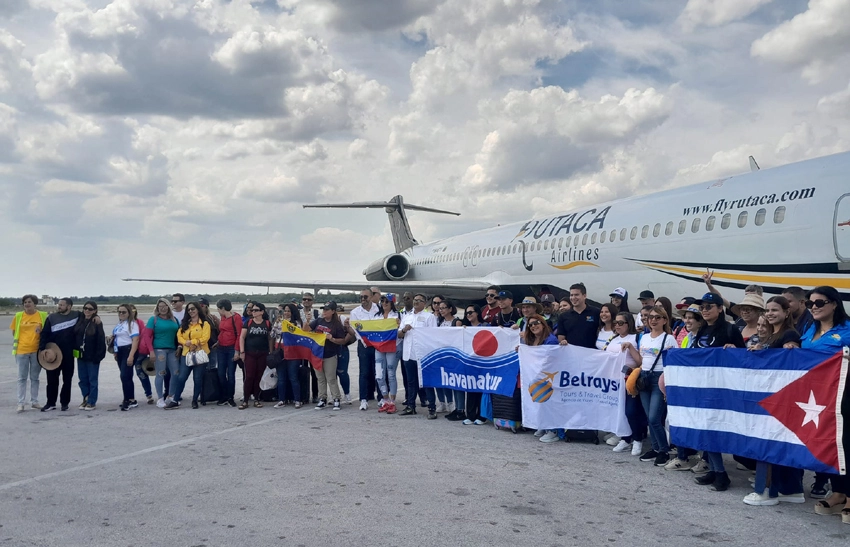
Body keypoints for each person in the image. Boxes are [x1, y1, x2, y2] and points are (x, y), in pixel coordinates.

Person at [743, 296, 804, 506]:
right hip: (771, 396)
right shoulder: (771, 334)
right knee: (780, 442)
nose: (769, 313)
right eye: (767, 310)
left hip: (779, 398)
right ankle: (790, 489)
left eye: (774, 310)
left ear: (787, 312)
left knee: (771, 443)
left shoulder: (789, 334)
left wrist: (783, 349)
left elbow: (789, 359)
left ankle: (767, 490)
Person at [795, 287, 850, 520]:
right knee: (829, 442)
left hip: (844, 395)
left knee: (846, 443)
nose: (814, 307)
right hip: (817, 398)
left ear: (835, 303)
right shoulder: (809, 329)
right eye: (810, 304)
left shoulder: (847, 329)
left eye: (820, 302)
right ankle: (838, 492)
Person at [692, 292, 745, 491]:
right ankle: (715, 470)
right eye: (702, 307)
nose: (704, 310)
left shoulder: (730, 329)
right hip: (703, 386)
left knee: (713, 431)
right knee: (706, 430)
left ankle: (722, 474)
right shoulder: (702, 329)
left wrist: (734, 350)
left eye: (709, 306)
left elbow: (743, 359)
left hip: (721, 389)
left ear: (719, 309)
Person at [662, 304, 704, 471]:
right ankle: (682, 456)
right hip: (684, 387)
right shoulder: (687, 338)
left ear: (699, 321)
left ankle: (703, 459)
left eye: (691, 318)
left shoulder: (703, 339)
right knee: (678, 420)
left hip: (698, 388)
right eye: (685, 317)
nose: (687, 320)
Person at [635, 306, 677, 467]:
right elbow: (641, 359)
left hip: (659, 378)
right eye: (651, 317)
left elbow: (673, 361)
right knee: (649, 417)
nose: (653, 320)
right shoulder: (644, 337)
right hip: (644, 377)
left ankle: (664, 450)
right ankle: (655, 447)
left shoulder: (668, 339)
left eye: (657, 317)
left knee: (654, 418)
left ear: (664, 320)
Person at [39, 297, 90, 412]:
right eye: (59, 304)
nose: (59, 306)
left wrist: (96, 317)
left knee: (67, 380)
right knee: (52, 380)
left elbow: (89, 316)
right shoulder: (51, 318)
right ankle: (50, 403)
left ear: (69, 306)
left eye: (62, 305)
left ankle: (64, 403)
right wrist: (42, 349)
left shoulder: (77, 315)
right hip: (54, 354)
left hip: (68, 354)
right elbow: (44, 334)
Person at [607, 312, 646, 456]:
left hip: (630, 380)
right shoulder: (613, 339)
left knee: (631, 411)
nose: (617, 326)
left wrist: (630, 347)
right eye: (615, 323)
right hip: (614, 381)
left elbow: (640, 361)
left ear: (628, 324)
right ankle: (625, 437)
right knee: (620, 411)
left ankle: (637, 439)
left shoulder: (636, 338)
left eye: (621, 323)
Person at [398, 294, 438, 418]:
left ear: (424, 304)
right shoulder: (406, 316)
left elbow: (433, 335)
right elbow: (399, 334)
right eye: (415, 300)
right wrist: (404, 330)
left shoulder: (429, 317)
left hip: (423, 354)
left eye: (419, 301)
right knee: (411, 382)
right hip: (409, 354)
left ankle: (432, 408)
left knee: (426, 382)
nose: (415, 302)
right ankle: (411, 406)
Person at [166, 302, 211, 410]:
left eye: (193, 309)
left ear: (198, 310)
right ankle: (175, 400)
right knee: (181, 377)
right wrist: (186, 343)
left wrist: (193, 342)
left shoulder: (204, 324)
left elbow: (205, 338)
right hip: (186, 353)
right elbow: (179, 335)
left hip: (200, 353)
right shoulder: (185, 323)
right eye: (189, 310)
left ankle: (195, 400)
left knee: (197, 378)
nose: (191, 311)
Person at [11, 294, 47, 412]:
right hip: (22, 350)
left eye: (29, 302)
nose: (27, 304)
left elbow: (46, 332)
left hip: (36, 351)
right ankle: (21, 403)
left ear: (35, 304)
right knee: (22, 378)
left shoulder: (42, 315)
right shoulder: (18, 316)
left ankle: (34, 401)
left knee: (34, 378)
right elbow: (14, 332)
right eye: (25, 302)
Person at [310, 302, 347, 411]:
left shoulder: (336, 324)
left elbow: (342, 340)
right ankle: (322, 398)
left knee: (331, 378)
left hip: (330, 354)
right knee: (320, 378)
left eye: (327, 309)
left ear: (333, 311)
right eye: (324, 309)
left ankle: (336, 398)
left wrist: (332, 339)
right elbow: (306, 330)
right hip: (317, 354)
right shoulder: (318, 321)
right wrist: (307, 321)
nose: (324, 312)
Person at [237, 302, 273, 410]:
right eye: (252, 310)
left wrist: (270, 352)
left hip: (263, 353)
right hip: (250, 353)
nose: (253, 312)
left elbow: (270, 338)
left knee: (259, 376)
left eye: (256, 310)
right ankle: (246, 400)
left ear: (262, 312)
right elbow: (242, 338)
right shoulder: (248, 322)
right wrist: (242, 352)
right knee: (249, 376)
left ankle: (257, 398)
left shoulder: (267, 323)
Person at [147, 298, 181, 408]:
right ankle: (160, 398)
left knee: (175, 373)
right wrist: (151, 351)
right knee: (160, 373)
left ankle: (170, 396)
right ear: (157, 308)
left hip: (172, 349)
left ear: (168, 307)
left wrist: (179, 346)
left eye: (165, 305)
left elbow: (180, 334)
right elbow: (147, 336)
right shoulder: (154, 319)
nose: (162, 308)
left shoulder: (174, 319)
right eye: (160, 306)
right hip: (159, 349)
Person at [350, 288, 379, 411]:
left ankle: (382, 397)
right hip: (364, 345)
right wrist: (347, 328)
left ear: (372, 297)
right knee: (364, 372)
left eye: (365, 297)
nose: (363, 299)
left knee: (379, 372)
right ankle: (363, 399)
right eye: (361, 297)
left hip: (378, 344)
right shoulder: (355, 312)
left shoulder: (379, 309)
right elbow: (354, 331)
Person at [74, 301, 106, 411]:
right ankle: (86, 397)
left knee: (92, 379)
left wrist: (99, 356)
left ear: (95, 311)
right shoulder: (80, 319)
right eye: (85, 308)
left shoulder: (96, 322)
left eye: (90, 309)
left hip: (92, 356)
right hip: (81, 355)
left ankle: (92, 401)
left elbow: (101, 340)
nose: (87, 310)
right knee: (82, 379)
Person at [437, 299, 466, 421]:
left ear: (450, 309)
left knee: (458, 383)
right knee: (452, 383)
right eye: (440, 308)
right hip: (445, 356)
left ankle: (461, 409)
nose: (441, 310)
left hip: (456, 356)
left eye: (444, 308)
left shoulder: (456, 322)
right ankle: (456, 407)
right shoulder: (441, 322)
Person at [372, 294, 401, 414]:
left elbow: (400, 332)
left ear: (392, 303)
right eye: (382, 301)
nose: (384, 303)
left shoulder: (398, 315)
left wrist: (399, 326)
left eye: (387, 301)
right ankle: (385, 399)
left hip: (392, 347)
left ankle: (392, 402)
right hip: (379, 348)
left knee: (391, 374)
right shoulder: (376, 316)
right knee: (379, 375)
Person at [272, 303, 303, 409]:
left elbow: (297, 336)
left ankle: (297, 399)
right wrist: (276, 324)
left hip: (293, 352)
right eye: (284, 311)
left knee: (293, 377)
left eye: (288, 311)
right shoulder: (279, 322)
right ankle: (281, 399)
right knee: (281, 378)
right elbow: (272, 335)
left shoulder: (297, 323)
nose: (286, 313)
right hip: (280, 352)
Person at [112, 304, 140, 411]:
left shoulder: (132, 324)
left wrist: (131, 355)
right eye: (119, 312)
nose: (121, 314)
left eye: (124, 312)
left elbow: (135, 340)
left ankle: (127, 400)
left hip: (128, 350)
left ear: (129, 313)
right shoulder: (120, 324)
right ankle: (131, 399)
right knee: (126, 376)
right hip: (120, 351)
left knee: (124, 375)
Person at [215, 299, 242, 407]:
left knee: (230, 374)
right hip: (221, 347)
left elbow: (239, 334)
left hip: (231, 348)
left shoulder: (236, 318)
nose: (217, 311)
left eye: (218, 309)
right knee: (221, 373)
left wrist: (237, 351)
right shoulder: (223, 318)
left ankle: (230, 396)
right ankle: (224, 395)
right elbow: (222, 331)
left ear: (223, 308)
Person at [557, 283, 601, 348]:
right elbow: (561, 337)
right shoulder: (563, 316)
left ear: (584, 296)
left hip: (592, 354)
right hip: (572, 354)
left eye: (576, 295)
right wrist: (563, 342)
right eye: (571, 295)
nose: (573, 298)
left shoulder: (596, 312)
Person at [299, 292, 322, 403]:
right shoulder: (298, 313)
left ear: (312, 301)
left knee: (315, 372)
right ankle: (304, 395)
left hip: (313, 346)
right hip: (302, 345)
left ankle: (316, 395)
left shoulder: (317, 313)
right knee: (303, 371)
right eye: (304, 299)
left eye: (309, 299)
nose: (306, 301)